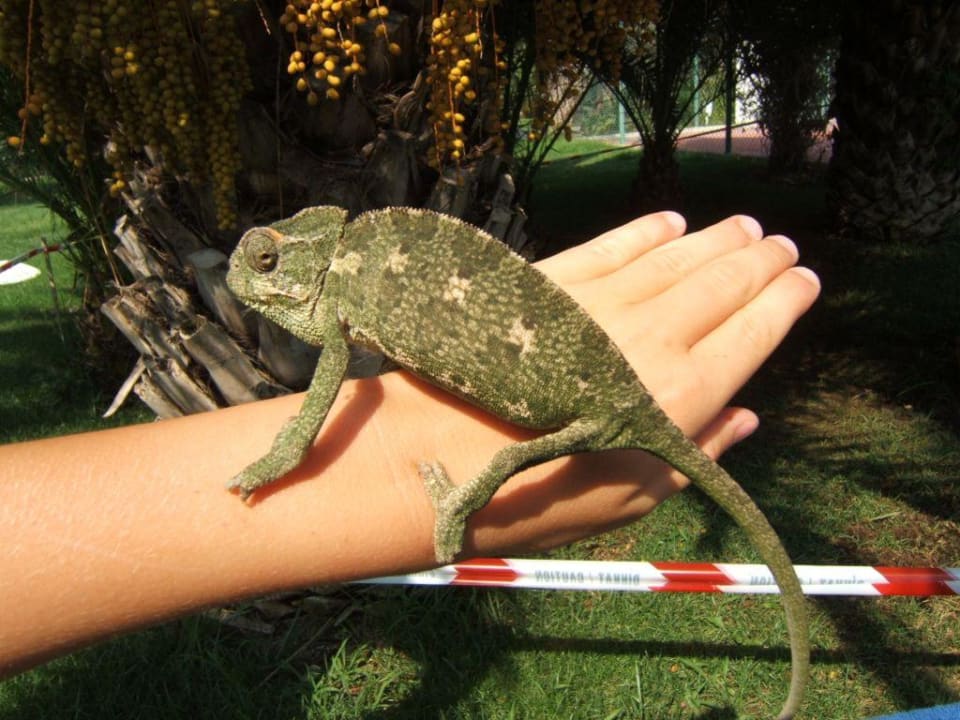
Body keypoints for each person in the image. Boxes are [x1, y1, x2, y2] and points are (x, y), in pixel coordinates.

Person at [0, 211, 820, 679]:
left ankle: (457, 505)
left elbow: (318, 402)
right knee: (505, 448)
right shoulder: (338, 282)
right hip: (587, 401)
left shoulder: (334, 294)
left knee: (498, 459)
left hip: (589, 411)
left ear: (309, 257)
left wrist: (278, 464)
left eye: (271, 260)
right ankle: (457, 500)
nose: (253, 280)